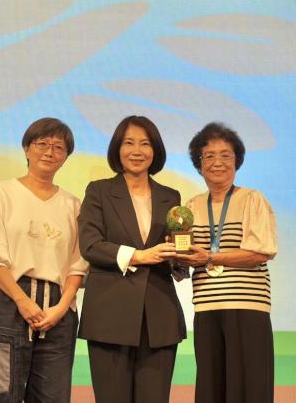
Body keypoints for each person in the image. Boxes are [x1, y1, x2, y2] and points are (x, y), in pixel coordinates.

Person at [0, 117, 88, 402]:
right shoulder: (1, 192)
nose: (50, 152)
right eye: (42, 144)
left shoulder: (73, 204)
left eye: (59, 147)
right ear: (26, 149)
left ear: (65, 157)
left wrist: (61, 308)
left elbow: (78, 264)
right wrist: (22, 301)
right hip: (6, 306)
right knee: (1, 396)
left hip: (58, 311)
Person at [78, 115, 186, 403]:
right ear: (117, 148)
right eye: (129, 143)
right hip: (109, 315)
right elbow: (90, 245)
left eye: (145, 144)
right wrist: (138, 256)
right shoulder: (99, 191)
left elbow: (175, 254)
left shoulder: (170, 197)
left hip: (159, 317)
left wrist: (183, 255)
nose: (137, 151)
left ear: (155, 150)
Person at [175, 122, 278, 403]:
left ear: (237, 161)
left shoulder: (251, 199)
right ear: (199, 163)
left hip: (247, 307)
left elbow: (261, 252)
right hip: (207, 307)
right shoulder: (190, 207)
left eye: (225, 155)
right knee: (211, 389)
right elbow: (185, 262)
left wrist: (211, 257)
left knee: (249, 389)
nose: (217, 162)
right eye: (208, 156)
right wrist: (175, 257)